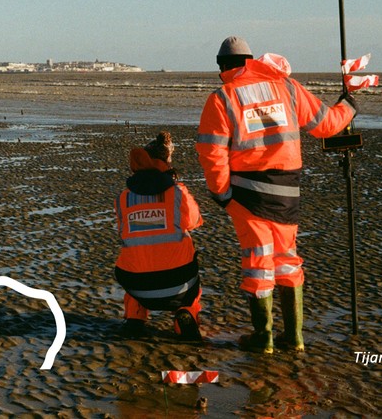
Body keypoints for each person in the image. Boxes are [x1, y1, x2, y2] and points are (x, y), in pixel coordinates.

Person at [195, 36, 357, 353]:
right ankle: (294, 337)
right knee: (286, 261)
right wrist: (348, 106)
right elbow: (326, 125)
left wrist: (222, 194)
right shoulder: (287, 87)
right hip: (287, 192)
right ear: (250, 60)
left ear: (223, 66)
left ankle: (264, 337)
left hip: (247, 195)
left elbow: (211, 152)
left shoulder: (223, 97)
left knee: (258, 265)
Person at [114, 131, 205, 341]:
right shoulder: (177, 192)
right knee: (185, 243)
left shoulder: (124, 198)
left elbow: (122, 233)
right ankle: (186, 312)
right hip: (178, 284)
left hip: (138, 286)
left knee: (135, 256)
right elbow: (194, 221)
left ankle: (135, 318)